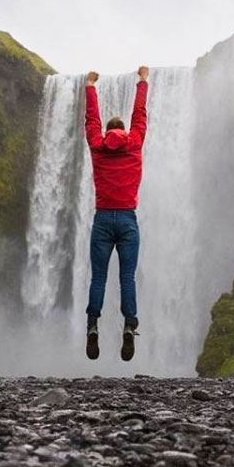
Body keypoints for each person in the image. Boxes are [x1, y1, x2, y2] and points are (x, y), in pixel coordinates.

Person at [84, 66, 149, 361]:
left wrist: (90, 86)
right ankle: (129, 325)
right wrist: (143, 82)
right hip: (127, 220)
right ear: (123, 131)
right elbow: (140, 115)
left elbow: (91, 120)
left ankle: (93, 326)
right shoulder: (134, 143)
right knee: (127, 278)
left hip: (102, 220)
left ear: (106, 131)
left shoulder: (97, 146)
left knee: (98, 278)